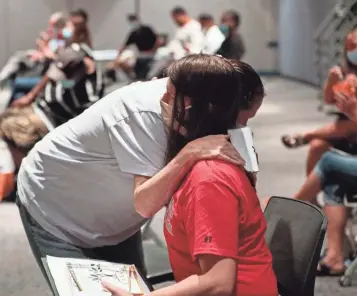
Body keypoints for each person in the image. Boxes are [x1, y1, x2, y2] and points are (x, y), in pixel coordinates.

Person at [15, 55, 246, 290]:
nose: (162, 98)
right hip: (56, 207)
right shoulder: (147, 113)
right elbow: (146, 204)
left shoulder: (214, 114)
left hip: (116, 218)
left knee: (131, 289)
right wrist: (187, 154)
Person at [103, 60, 277, 296]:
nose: (162, 101)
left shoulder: (209, 178)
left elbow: (218, 284)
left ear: (187, 105)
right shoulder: (194, 164)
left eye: (169, 94)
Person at [293, 90, 357, 275]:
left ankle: (286, 213)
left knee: (329, 162)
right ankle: (334, 257)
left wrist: (356, 114)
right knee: (333, 179)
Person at [281, 28, 357, 177]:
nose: (350, 51)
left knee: (356, 121)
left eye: (353, 47)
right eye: (347, 48)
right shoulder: (348, 70)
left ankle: (306, 136)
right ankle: (311, 198)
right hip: (344, 128)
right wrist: (331, 82)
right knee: (316, 146)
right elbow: (329, 100)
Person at [0, 18, 97, 169]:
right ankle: (20, 175)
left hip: (58, 115)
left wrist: (30, 97)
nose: (64, 30)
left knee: (8, 124)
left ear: (79, 32)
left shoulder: (76, 52)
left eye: (68, 27)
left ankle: (24, 175)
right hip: (50, 108)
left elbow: (51, 74)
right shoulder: (73, 50)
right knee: (7, 116)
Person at [0, 12, 67, 93]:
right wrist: (41, 49)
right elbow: (47, 52)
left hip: (48, 70)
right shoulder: (54, 38)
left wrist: (43, 47)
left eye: (52, 25)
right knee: (19, 57)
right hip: (41, 62)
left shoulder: (65, 39)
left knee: (19, 62)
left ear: (59, 26)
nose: (50, 28)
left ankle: (0, 84)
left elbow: (55, 56)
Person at [106, 14, 158, 81]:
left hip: (151, 55)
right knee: (138, 73)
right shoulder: (133, 33)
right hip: (141, 56)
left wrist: (153, 50)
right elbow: (124, 46)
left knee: (147, 74)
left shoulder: (147, 29)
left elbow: (157, 40)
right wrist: (117, 58)